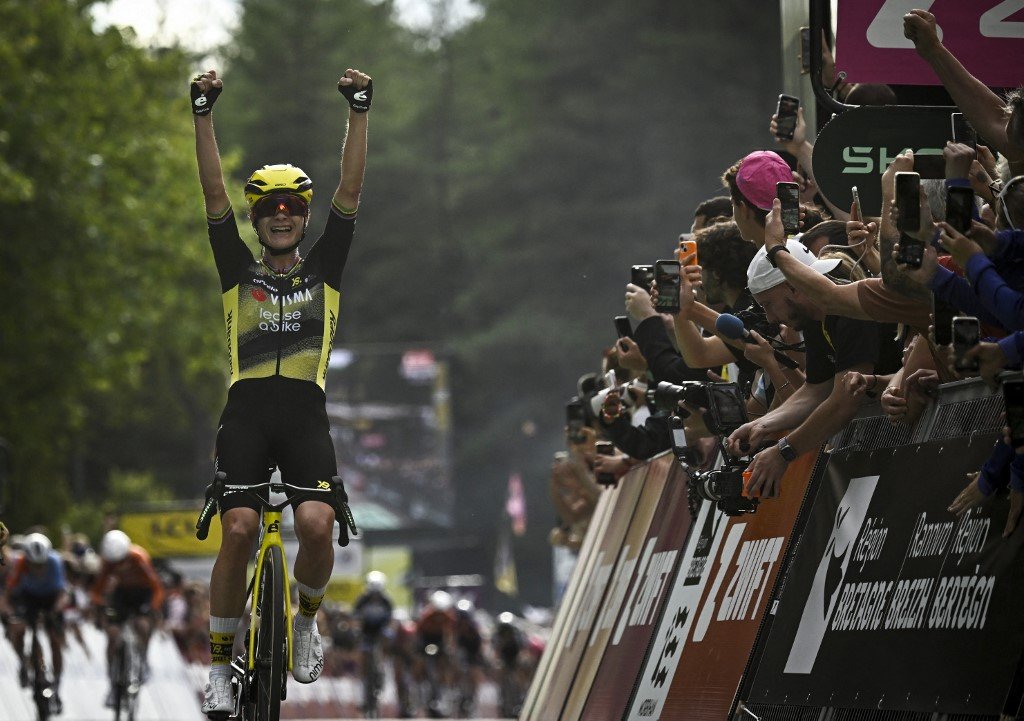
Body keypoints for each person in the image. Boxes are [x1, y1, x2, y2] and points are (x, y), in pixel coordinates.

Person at [189, 65, 372, 717]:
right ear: (259, 218)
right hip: (245, 415)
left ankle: (309, 618)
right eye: (271, 210)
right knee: (237, 528)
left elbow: (349, 191)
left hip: (304, 417)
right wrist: (203, 116)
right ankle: (218, 665)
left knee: (317, 523)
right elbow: (213, 195)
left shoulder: (326, 268)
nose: (285, 218)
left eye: (294, 208)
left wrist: (359, 112)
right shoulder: (237, 271)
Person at [727, 203, 896, 498]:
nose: (768, 318)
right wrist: (762, 424)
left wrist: (784, 452)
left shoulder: (846, 309)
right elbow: (816, 389)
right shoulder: (817, 317)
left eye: (768, 304)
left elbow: (845, 400)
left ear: (793, 286)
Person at [90, 529, 165, 707]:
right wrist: (99, 604)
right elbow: (97, 590)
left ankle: (143, 659)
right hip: (122, 594)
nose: (120, 565)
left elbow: (157, 588)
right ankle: (112, 682)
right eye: (116, 563)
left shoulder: (138, 557)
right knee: (113, 635)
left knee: (142, 625)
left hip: (143, 593)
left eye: (122, 561)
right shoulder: (108, 562)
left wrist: (152, 608)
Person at [3, 533, 67, 713]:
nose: (38, 569)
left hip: (51, 600)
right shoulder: (20, 563)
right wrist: (9, 613)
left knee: (55, 640)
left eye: (41, 565)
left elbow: (62, 593)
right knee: (18, 630)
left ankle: (57, 685)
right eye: (34, 565)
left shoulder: (55, 562)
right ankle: (24, 661)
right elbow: (8, 593)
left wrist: (54, 612)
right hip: (28, 599)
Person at [353, 570, 393, 713]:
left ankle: (381, 671)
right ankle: (365, 686)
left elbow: (391, 620)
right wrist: (356, 629)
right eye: (372, 593)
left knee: (386, 642)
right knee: (363, 656)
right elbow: (355, 617)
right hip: (366, 632)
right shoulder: (362, 599)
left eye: (378, 593)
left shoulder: (386, 600)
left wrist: (388, 633)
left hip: (380, 632)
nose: (375, 596)